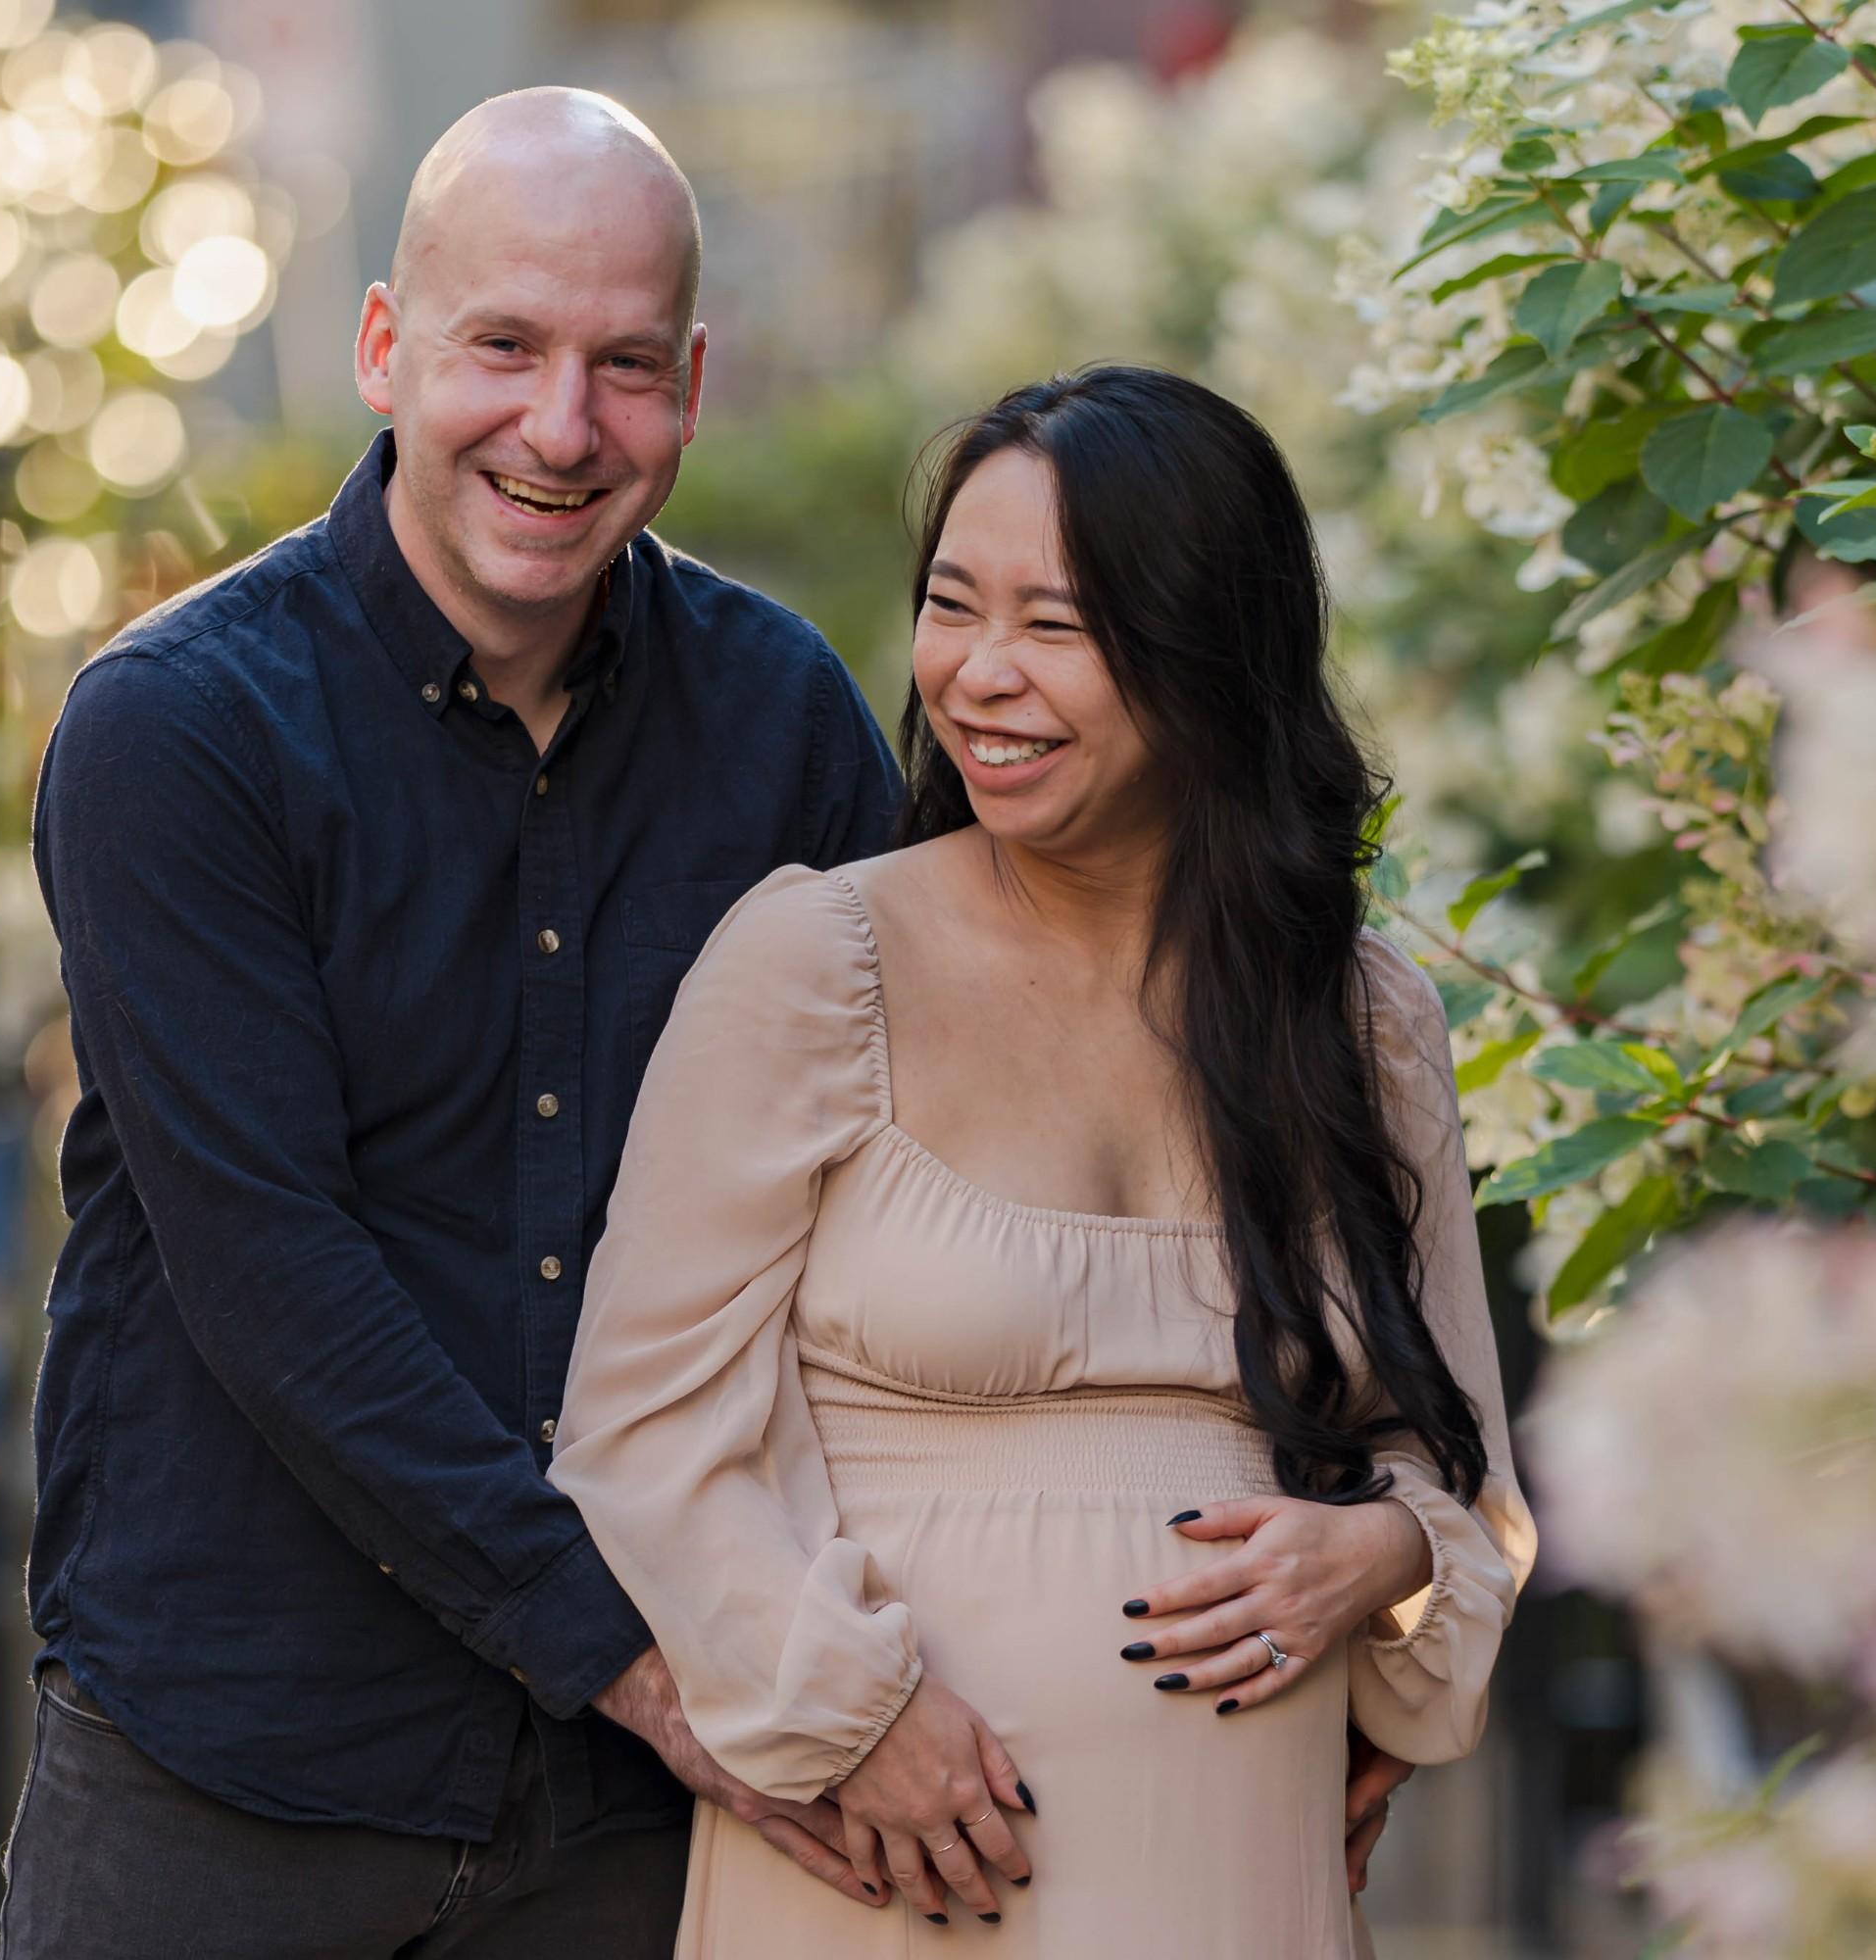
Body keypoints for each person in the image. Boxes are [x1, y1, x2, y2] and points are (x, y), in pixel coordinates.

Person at [5, 90, 903, 1957]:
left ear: (694, 383)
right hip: (235, 1774)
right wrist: (666, 1677)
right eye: (505, 345)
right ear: (384, 347)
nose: (563, 430)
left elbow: (894, 1224)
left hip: (627, 1835)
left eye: (627, 365)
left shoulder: (786, 728)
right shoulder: (179, 735)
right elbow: (282, 1284)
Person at [555, 365, 1538, 1956]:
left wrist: (1382, 1558)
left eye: (1058, 627)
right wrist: (851, 1715)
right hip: (893, 1876)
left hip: (1236, 1880)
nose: (981, 676)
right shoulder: (815, 960)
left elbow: (1465, 1479)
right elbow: (643, 1434)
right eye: (954, 606)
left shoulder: (1361, 1022)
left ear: (1208, 656)